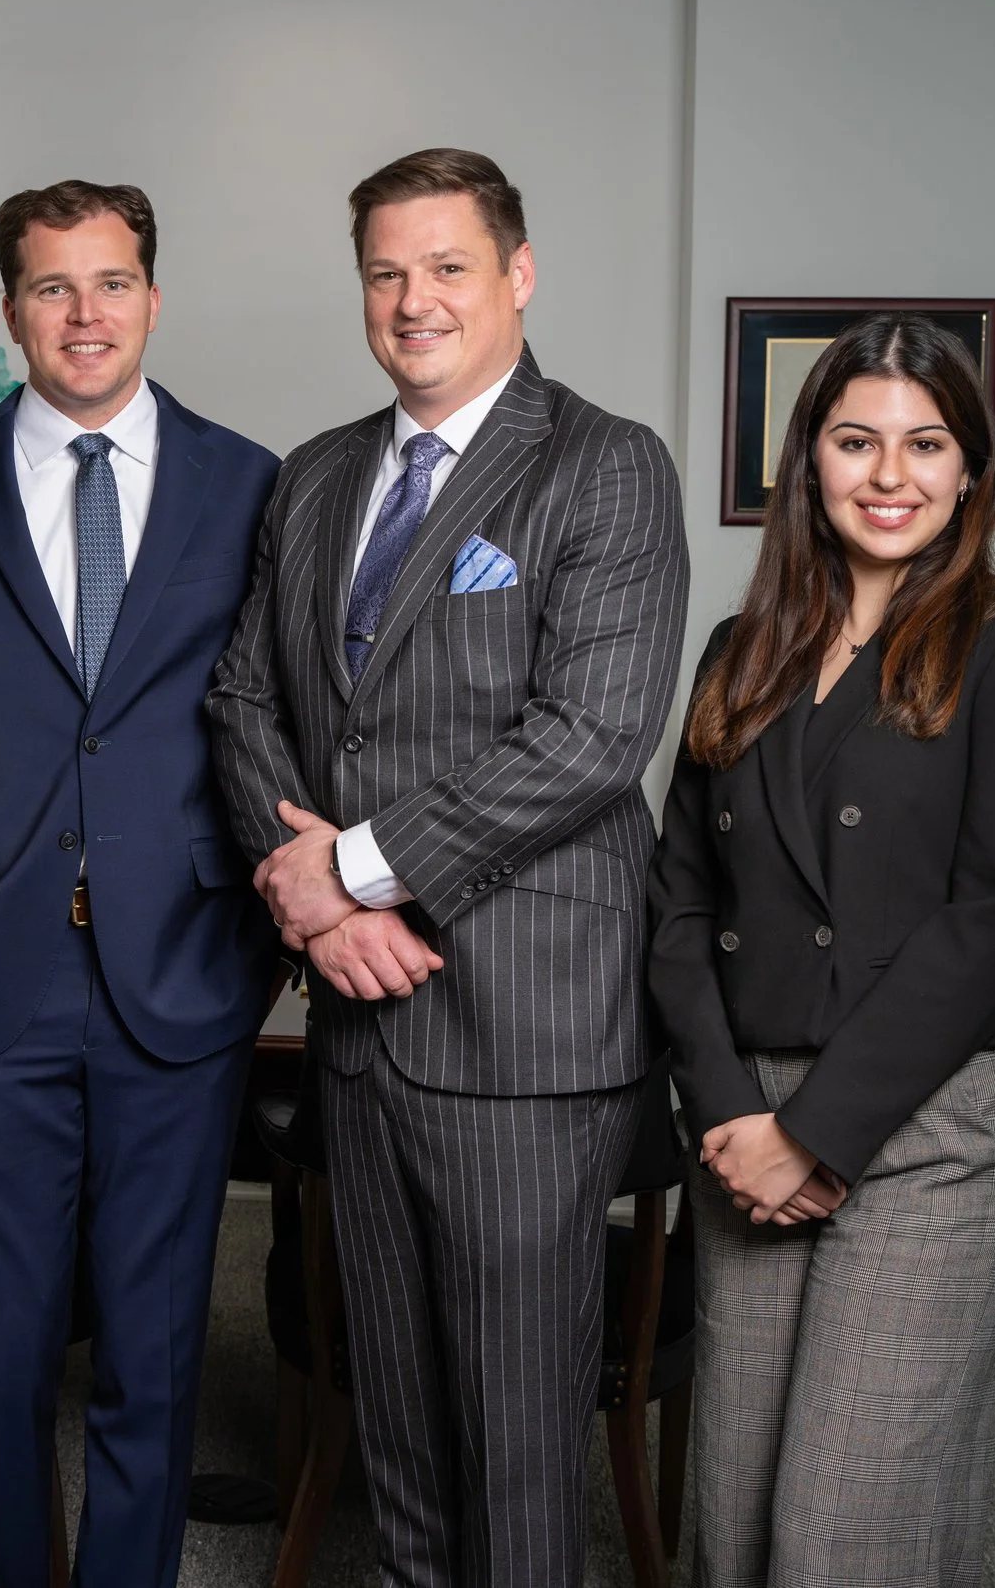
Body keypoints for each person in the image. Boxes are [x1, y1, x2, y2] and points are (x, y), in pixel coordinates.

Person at [208, 147, 688, 1586]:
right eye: (386, 272)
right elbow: (243, 701)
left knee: (518, 1441)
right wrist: (316, 908)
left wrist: (346, 871)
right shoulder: (316, 474)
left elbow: (590, 739)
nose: (413, 300)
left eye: (448, 267)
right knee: (398, 1431)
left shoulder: (605, 463)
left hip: (524, 1029)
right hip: (361, 1021)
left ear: (518, 275)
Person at [0, 180, 282, 1585]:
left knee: (154, 1345)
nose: (84, 314)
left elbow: (281, 717)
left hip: (185, 965)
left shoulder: (251, 485)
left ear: (152, 298)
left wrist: (270, 923)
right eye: (52, 286)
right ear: (12, 308)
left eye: (110, 283)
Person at [646, 313, 995, 1585]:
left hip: (933, 1122)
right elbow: (678, 901)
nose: (890, 475)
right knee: (731, 1520)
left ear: (969, 467)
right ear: (809, 459)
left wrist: (815, 1131)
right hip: (747, 1125)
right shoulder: (740, 649)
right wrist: (730, 1112)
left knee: (842, 1530)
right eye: (856, 441)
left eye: (925, 443)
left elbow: (993, 919)